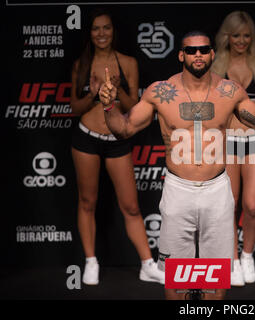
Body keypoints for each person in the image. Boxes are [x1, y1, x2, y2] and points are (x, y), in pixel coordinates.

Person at [98, 31, 255, 299]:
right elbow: (124, 128)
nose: (198, 55)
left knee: (216, 282)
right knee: (177, 283)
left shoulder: (230, 91)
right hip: (179, 190)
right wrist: (108, 107)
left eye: (203, 50)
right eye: (191, 51)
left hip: (217, 191)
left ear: (212, 54)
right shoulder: (161, 92)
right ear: (181, 55)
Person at [70, 8, 164, 286]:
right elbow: (75, 108)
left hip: (116, 141)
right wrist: (94, 94)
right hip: (86, 138)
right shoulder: (81, 64)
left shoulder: (128, 62)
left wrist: (118, 89)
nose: (101, 33)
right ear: (90, 33)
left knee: (132, 207)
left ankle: (147, 264)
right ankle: (90, 261)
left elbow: (134, 107)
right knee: (87, 202)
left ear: (113, 31)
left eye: (106, 28)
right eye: (96, 28)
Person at [211, 11, 255, 286]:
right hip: (226, 144)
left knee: (252, 207)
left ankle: (248, 255)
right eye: (235, 35)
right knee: (229, 206)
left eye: (245, 35)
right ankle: (231, 259)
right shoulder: (215, 66)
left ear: (251, 37)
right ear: (226, 37)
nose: (241, 40)